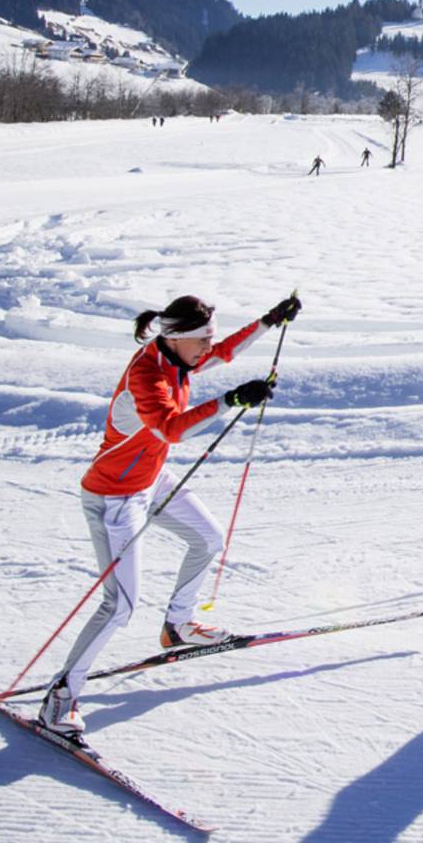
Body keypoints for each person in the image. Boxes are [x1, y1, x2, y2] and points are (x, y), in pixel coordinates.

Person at [37, 292, 302, 737]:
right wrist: (230, 399)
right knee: (119, 607)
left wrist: (270, 321)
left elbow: (222, 352)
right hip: (114, 496)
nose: (207, 347)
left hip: (151, 480)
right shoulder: (147, 375)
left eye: (207, 338)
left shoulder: (178, 357)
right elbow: (170, 429)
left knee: (208, 539)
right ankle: (60, 698)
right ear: (177, 338)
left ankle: (178, 627)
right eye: (201, 339)